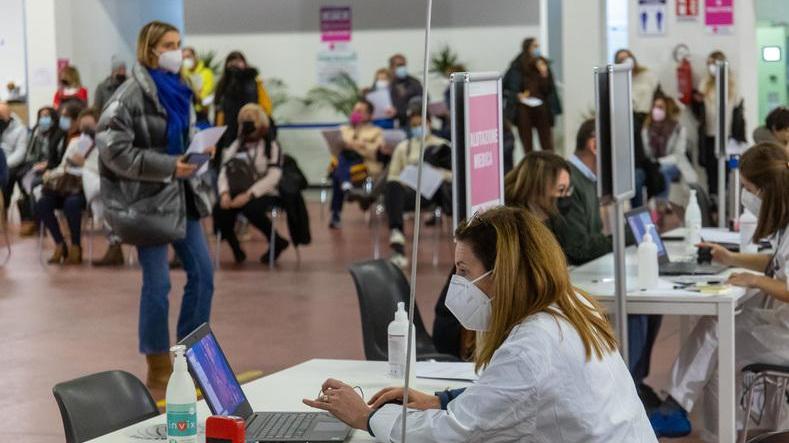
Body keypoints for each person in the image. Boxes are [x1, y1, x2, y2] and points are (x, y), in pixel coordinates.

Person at [304, 206, 657, 442]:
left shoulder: (531, 347)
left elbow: (453, 435)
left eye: (463, 271)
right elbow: (518, 397)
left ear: (501, 273)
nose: (456, 284)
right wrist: (440, 400)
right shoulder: (571, 304)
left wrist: (366, 418)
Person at [96, 20, 215, 389]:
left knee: (204, 275)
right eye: (169, 44)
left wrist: (200, 151)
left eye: (179, 43)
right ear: (150, 50)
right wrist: (167, 166)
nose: (176, 51)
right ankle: (158, 363)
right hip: (145, 203)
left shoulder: (181, 88)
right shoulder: (129, 94)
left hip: (183, 195)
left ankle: (188, 355)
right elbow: (112, 147)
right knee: (158, 284)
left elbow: (181, 136)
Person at [649, 143, 789, 438]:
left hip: (785, 336)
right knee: (716, 327)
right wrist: (732, 258)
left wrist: (755, 281)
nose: (745, 195)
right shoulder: (785, 222)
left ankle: (698, 420)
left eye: (748, 187)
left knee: (720, 341)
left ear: (764, 189)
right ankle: (687, 413)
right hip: (781, 324)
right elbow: (777, 262)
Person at [216, 103, 288, 264]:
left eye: (251, 118)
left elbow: (274, 176)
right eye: (244, 119)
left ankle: (276, 242)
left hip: (263, 192)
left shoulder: (272, 146)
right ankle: (236, 249)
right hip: (236, 189)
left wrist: (249, 194)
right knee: (220, 211)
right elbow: (224, 171)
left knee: (252, 209)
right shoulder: (236, 145)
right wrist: (224, 193)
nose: (247, 122)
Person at [385, 110, 451, 268]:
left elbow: (453, 173)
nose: (417, 128)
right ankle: (397, 234)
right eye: (413, 125)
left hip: (431, 192)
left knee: (396, 192)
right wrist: (402, 181)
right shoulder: (403, 147)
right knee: (392, 186)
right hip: (408, 191)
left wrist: (437, 173)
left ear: (429, 123)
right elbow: (393, 174)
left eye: (420, 124)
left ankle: (397, 238)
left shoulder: (442, 145)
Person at [37, 109, 99, 265]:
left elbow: (105, 171)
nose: (86, 132)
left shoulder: (104, 145)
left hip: (86, 187)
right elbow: (63, 166)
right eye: (83, 127)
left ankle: (76, 246)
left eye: (90, 127)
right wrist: (50, 174)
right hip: (66, 184)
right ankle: (59, 244)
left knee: (71, 204)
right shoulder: (74, 142)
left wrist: (85, 164)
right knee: (43, 202)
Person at [328, 99, 384, 229]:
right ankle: (346, 185)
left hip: (363, 166)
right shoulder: (344, 129)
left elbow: (376, 151)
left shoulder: (376, 131)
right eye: (355, 110)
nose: (356, 113)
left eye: (360, 111)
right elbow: (334, 150)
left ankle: (336, 213)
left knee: (339, 171)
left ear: (369, 115)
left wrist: (359, 145)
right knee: (341, 158)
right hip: (344, 163)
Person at [636, 92, 697, 206]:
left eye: (660, 107)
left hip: (674, 163)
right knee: (639, 177)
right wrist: (652, 163)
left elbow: (678, 154)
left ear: (666, 110)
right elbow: (646, 153)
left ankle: (661, 206)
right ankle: (642, 209)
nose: (656, 110)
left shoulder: (677, 128)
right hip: (651, 165)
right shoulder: (646, 128)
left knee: (663, 171)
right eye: (654, 107)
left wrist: (659, 162)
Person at [14, 107, 65, 236]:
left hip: (52, 167)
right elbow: (29, 153)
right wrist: (34, 164)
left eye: (47, 116)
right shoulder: (36, 131)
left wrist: (47, 164)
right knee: (24, 180)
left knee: (33, 183)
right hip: (36, 166)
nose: (44, 119)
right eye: (41, 116)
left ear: (53, 117)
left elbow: (60, 158)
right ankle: (33, 221)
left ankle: (38, 222)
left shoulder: (60, 133)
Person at [695, 50, 738, 199]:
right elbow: (700, 106)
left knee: (727, 170)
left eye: (712, 63)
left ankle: (727, 200)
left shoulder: (731, 84)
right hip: (709, 134)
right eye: (708, 64)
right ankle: (713, 201)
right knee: (711, 169)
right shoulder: (704, 83)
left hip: (727, 134)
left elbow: (736, 108)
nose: (710, 67)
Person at [504, 38, 559, 152]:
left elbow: (549, 89)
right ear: (527, 47)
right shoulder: (517, 66)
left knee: (547, 142)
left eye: (538, 46)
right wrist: (517, 96)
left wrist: (544, 74)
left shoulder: (542, 64)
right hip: (523, 108)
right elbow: (507, 87)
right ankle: (530, 164)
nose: (537, 49)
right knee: (527, 143)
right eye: (535, 46)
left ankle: (549, 164)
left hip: (541, 106)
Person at [214, 51, 273, 157]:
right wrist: (218, 136)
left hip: (251, 134)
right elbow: (219, 112)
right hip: (229, 135)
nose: (235, 64)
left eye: (238, 61)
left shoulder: (255, 83)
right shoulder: (222, 85)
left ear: (245, 63)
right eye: (231, 61)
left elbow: (266, 108)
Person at [0, 101, 30, 219]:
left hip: (12, 164)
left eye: (1, 116)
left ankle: (5, 211)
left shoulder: (20, 129)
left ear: (9, 115)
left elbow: (20, 153)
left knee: (8, 177)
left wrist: (4, 165)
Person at [614, 49, 658, 115]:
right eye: (622, 59)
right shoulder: (618, 80)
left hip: (648, 114)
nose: (626, 61)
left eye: (627, 58)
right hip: (629, 115)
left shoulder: (647, 74)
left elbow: (658, 93)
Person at [181, 47, 215, 128]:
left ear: (195, 57)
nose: (186, 60)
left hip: (201, 115)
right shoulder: (182, 74)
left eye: (188, 57)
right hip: (185, 115)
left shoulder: (206, 73)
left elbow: (204, 98)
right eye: (183, 58)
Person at [388, 54, 423, 128]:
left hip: (413, 122)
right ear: (391, 67)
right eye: (399, 65)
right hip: (393, 123)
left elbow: (424, 99)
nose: (402, 68)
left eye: (403, 65)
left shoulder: (414, 82)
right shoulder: (388, 85)